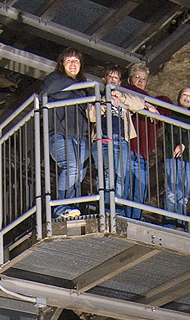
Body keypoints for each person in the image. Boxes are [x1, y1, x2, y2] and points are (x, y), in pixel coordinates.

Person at [41, 46, 90, 212]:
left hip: (82, 136)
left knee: (79, 174)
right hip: (60, 133)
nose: (73, 64)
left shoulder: (84, 87)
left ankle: (72, 209)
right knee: (72, 167)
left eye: (76, 61)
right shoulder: (54, 78)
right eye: (69, 60)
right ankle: (61, 208)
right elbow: (48, 90)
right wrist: (75, 86)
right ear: (61, 64)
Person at [88, 66, 137, 215]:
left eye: (116, 78)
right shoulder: (97, 97)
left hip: (121, 140)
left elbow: (139, 104)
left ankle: (118, 210)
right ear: (104, 80)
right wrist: (105, 102)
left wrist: (120, 98)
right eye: (110, 76)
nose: (113, 80)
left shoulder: (124, 98)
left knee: (121, 176)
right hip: (103, 139)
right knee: (107, 174)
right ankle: (106, 209)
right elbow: (91, 115)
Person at [126, 62, 157, 213]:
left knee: (140, 188)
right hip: (129, 147)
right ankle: (125, 217)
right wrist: (145, 105)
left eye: (143, 79)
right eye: (137, 77)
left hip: (142, 152)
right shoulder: (125, 92)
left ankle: (135, 218)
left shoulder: (150, 100)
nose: (140, 81)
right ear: (129, 79)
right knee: (128, 185)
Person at [166, 85, 190, 220]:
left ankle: (180, 221)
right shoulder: (172, 113)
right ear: (179, 97)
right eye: (185, 95)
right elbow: (173, 131)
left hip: (188, 159)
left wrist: (184, 143)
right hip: (172, 156)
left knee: (183, 193)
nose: (187, 98)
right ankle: (169, 221)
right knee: (172, 191)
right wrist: (186, 138)